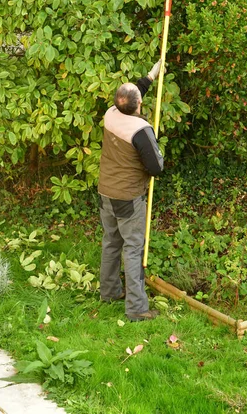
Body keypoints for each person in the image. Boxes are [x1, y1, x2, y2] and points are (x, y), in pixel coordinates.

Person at [98, 60, 164, 321]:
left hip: (106, 192)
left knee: (111, 243)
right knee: (133, 248)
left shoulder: (110, 114)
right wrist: (156, 148)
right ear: (138, 106)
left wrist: (151, 76)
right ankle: (137, 309)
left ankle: (110, 292)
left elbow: (132, 95)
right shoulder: (141, 130)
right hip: (128, 198)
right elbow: (156, 168)